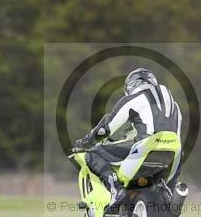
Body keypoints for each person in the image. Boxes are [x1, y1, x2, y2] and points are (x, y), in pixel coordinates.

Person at [72, 67, 182, 209]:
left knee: (93, 153)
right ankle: (171, 195)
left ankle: (116, 190)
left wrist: (86, 142)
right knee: (173, 173)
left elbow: (106, 128)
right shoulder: (175, 105)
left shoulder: (135, 98)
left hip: (147, 145)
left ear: (132, 84)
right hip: (174, 153)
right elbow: (177, 134)